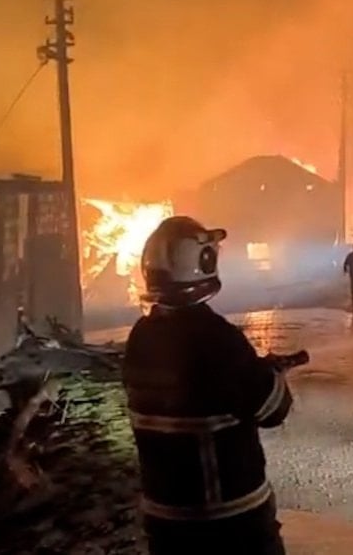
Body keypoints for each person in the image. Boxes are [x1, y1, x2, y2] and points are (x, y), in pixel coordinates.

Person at [123, 216, 294, 555]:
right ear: (203, 263)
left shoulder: (140, 337)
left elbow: (203, 391)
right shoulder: (218, 339)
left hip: (164, 521)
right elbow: (274, 409)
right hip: (229, 521)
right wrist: (272, 375)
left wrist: (254, 370)